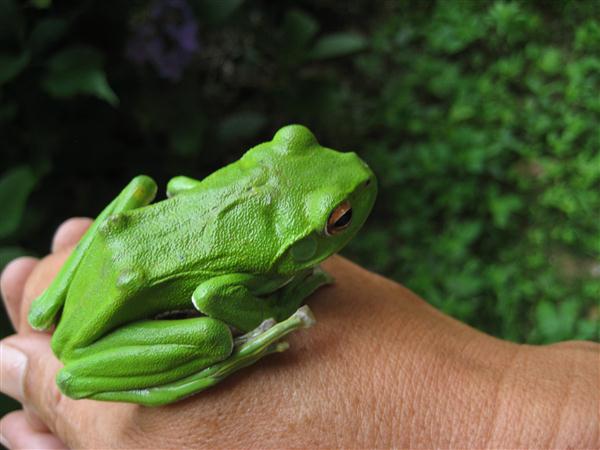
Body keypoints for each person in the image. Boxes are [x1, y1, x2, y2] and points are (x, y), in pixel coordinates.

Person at [0, 218, 598, 449]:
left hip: (110, 259)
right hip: (109, 323)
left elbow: (184, 195)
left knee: (128, 209)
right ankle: (221, 355)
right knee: (212, 334)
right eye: (336, 221)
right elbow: (211, 296)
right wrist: (266, 319)